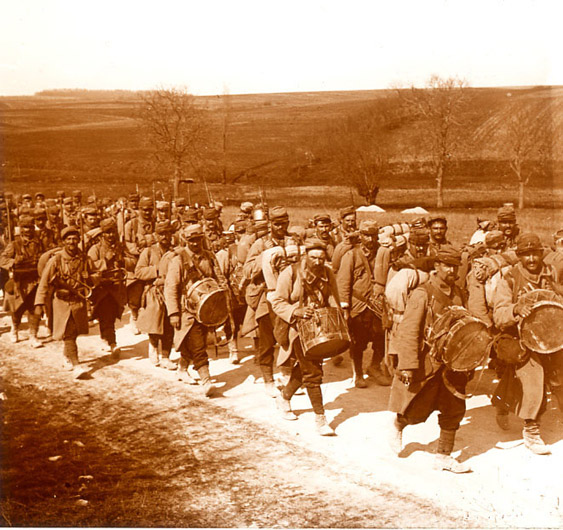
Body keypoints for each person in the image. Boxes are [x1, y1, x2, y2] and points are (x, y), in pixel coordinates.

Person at [388, 245, 472, 473]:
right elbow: (409, 330)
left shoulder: (459, 293)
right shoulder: (422, 293)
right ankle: (399, 424)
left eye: (456, 267)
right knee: (417, 410)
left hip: (454, 362)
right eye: (447, 266)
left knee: (454, 408)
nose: (453, 271)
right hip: (429, 362)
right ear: (437, 266)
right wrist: (407, 365)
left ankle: (443, 456)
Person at [490, 233, 563, 454]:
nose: (531, 259)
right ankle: (532, 432)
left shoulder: (550, 273)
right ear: (519, 256)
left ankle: (502, 404)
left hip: (548, 336)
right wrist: (515, 309)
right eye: (526, 255)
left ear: (541, 253)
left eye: (535, 253)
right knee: (533, 378)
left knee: (559, 376)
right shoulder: (509, 279)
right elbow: (499, 315)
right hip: (517, 338)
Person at [271, 239, 342, 435]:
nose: (318, 262)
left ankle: (284, 397)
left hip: (319, 330)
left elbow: (332, 298)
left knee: (306, 368)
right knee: (313, 372)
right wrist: (296, 311)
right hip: (295, 328)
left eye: (321, 258)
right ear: (305, 255)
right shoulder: (291, 272)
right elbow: (277, 301)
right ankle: (320, 418)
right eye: (313, 257)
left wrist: (339, 322)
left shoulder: (327, 273)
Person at [243, 206, 301, 395]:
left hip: (290, 296)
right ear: (270, 224)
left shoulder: (293, 240)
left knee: (288, 336)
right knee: (266, 340)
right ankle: (268, 378)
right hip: (266, 295)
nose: (280, 227)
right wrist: (266, 257)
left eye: (283, 223)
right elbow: (247, 270)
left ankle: (286, 375)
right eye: (276, 224)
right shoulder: (260, 244)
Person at [164, 224, 228, 396]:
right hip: (187, 311)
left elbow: (219, 278)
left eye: (198, 239)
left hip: (208, 308)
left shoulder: (209, 257)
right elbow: (171, 288)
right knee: (198, 345)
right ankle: (206, 380)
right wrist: (174, 313)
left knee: (192, 341)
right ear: (186, 240)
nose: (195, 244)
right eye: (191, 240)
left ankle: (182, 369)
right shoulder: (178, 260)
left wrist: (223, 297)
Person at [34, 226, 94, 379]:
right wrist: (39, 304)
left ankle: (66, 357)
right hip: (61, 304)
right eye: (68, 239)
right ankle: (76, 365)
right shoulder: (56, 260)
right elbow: (44, 283)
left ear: (79, 241)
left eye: (74, 239)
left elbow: (93, 276)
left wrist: (94, 279)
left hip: (78, 302)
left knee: (73, 334)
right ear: (63, 242)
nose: (72, 242)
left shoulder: (84, 259)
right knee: (69, 333)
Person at [337, 220, 389, 387]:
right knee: (358, 341)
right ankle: (358, 372)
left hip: (378, 304)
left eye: (373, 235)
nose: (370, 239)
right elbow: (343, 282)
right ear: (360, 236)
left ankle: (374, 367)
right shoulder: (351, 255)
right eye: (366, 235)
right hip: (358, 305)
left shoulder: (383, 252)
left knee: (381, 336)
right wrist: (344, 308)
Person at [135, 220, 177, 369]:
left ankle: (166, 356)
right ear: (156, 235)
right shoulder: (148, 252)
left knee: (169, 324)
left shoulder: (175, 252)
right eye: (161, 234)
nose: (165, 237)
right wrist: (157, 270)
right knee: (155, 322)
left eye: (168, 233)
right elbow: (139, 272)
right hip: (153, 291)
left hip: (172, 291)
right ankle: (153, 346)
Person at [0, 215, 45, 346]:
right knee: (18, 309)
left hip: (35, 280)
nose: (28, 230)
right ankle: (14, 329)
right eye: (25, 227)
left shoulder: (39, 243)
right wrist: (14, 261)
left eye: (30, 227)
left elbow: (45, 257)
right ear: (21, 228)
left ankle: (33, 335)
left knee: (35, 309)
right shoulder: (14, 244)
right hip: (19, 282)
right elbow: (2, 259)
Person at [88, 218, 130, 357]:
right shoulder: (95, 249)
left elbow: (132, 260)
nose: (111, 235)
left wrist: (123, 260)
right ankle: (112, 342)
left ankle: (106, 339)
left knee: (110, 316)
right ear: (102, 234)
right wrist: (106, 260)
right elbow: (90, 266)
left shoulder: (120, 247)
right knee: (106, 315)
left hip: (116, 287)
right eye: (107, 233)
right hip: (101, 288)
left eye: (113, 232)